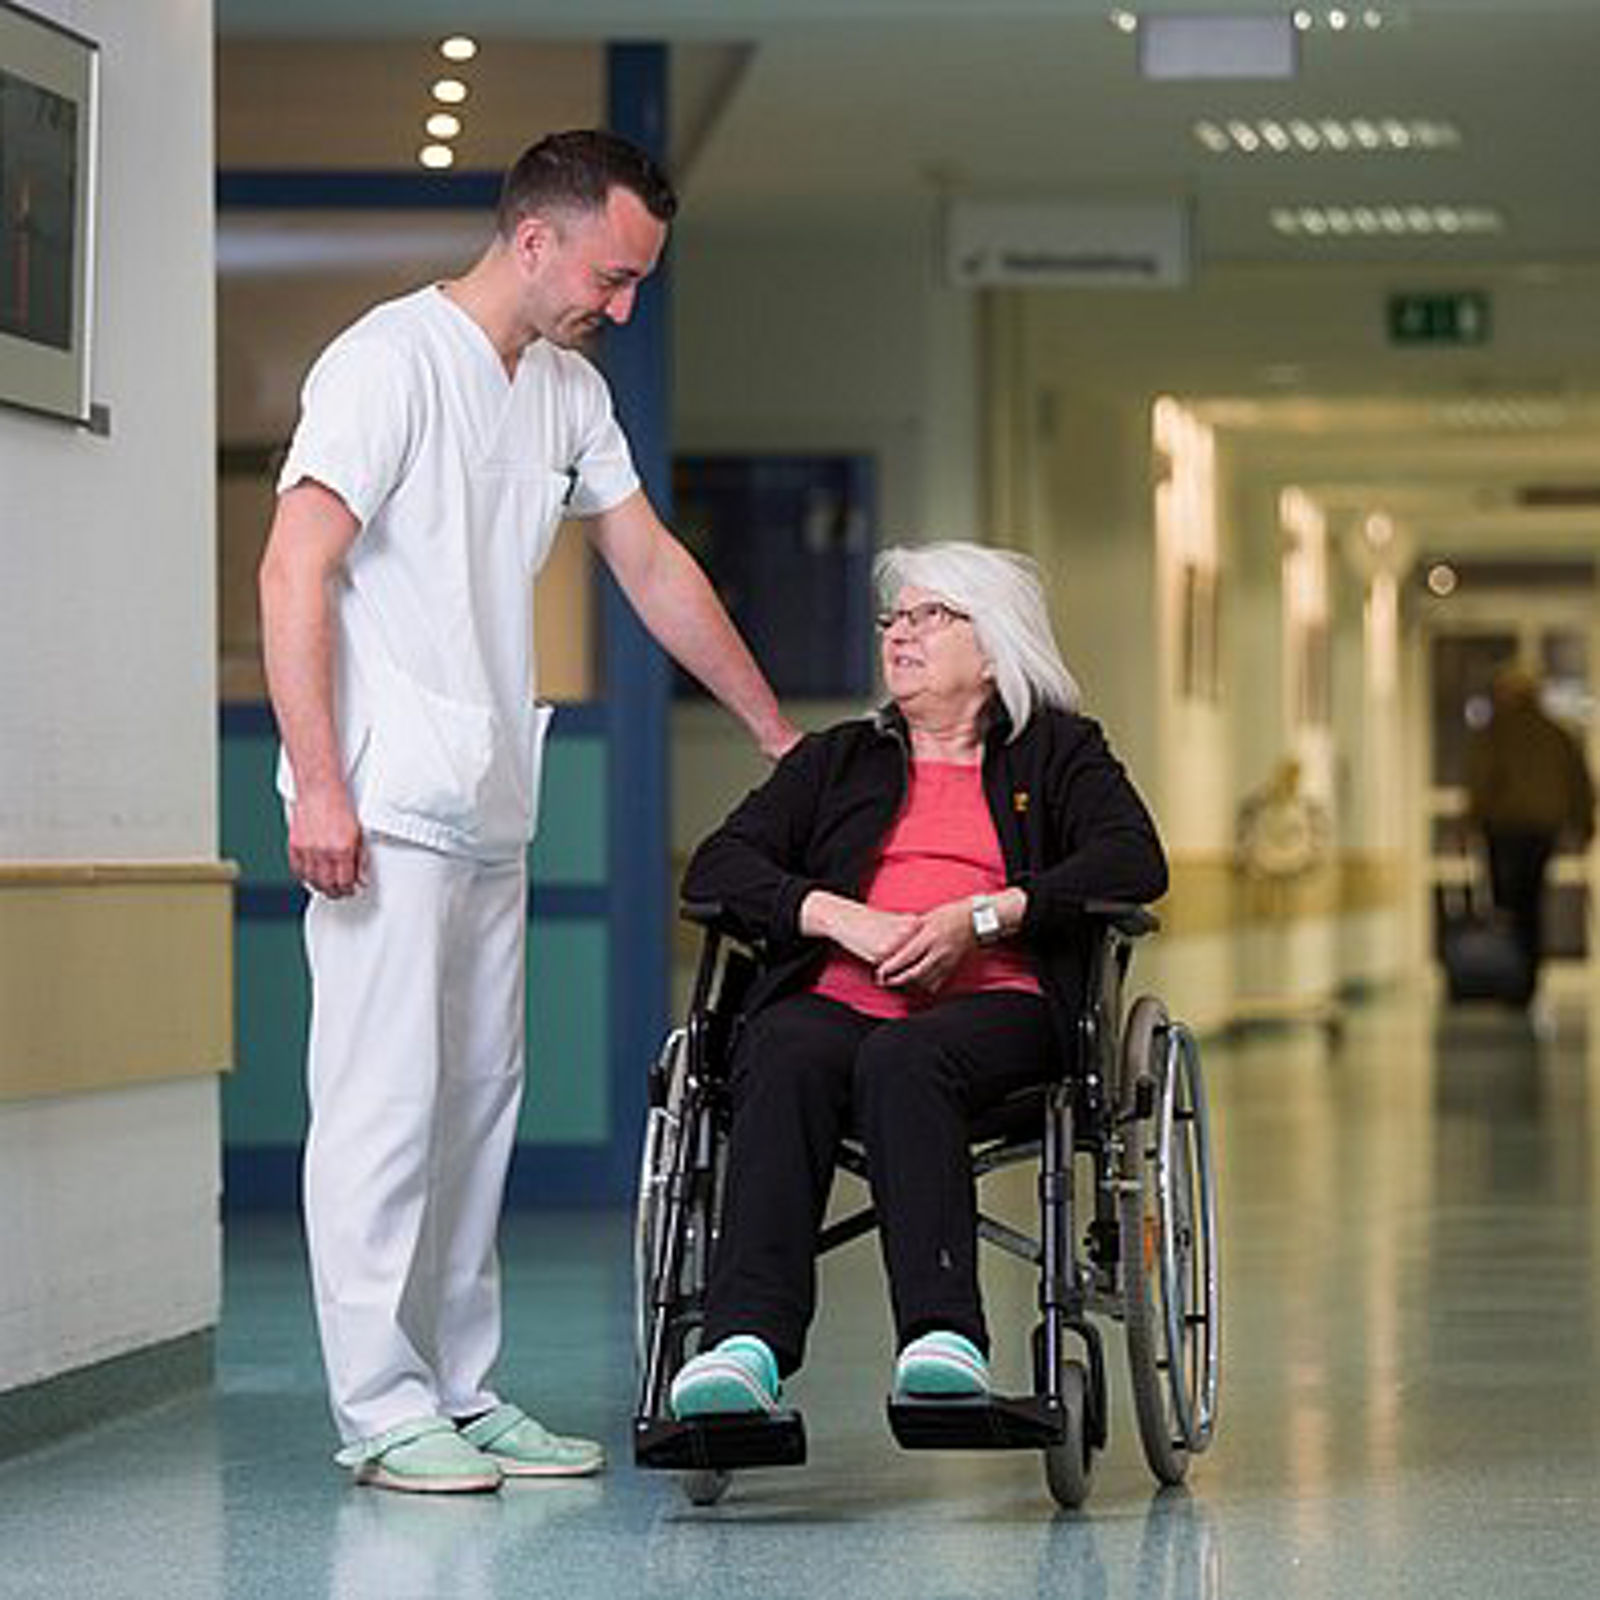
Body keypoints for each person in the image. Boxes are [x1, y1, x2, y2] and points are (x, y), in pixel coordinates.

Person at [258, 129, 797, 1496]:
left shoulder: (564, 390)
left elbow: (653, 565)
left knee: (477, 1105)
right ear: (536, 237)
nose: (620, 307)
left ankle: (457, 1385)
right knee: (381, 1106)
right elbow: (291, 568)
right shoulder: (386, 363)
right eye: (612, 278)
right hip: (377, 800)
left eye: (637, 288)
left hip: (490, 796)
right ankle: (381, 1406)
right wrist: (317, 778)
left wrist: (773, 728)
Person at [667, 541, 1167, 1419]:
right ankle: (746, 1343)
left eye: (930, 616)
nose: (900, 634)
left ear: (994, 641)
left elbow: (1133, 861)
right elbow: (717, 869)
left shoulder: (1058, 754)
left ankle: (944, 1338)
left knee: (906, 1057)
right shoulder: (838, 759)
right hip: (839, 1002)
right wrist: (834, 915)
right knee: (781, 1044)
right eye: (894, 618)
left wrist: (984, 916)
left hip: (998, 1008)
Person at [1465, 665, 1595, 1005]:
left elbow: (1480, 780)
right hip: (1542, 829)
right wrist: (1584, 827)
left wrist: (1471, 822)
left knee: (1507, 904)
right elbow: (1579, 784)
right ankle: (1527, 977)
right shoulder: (1556, 733)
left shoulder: (1496, 733)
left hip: (1504, 829)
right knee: (1531, 901)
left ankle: (1513, 977)